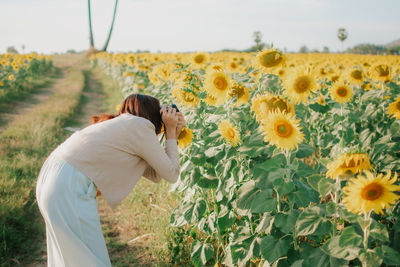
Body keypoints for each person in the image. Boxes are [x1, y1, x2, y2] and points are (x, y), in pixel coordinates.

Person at [35, 93, 185, 267]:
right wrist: (171, 133)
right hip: (68, 185)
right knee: (92, 260)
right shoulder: (139, 126)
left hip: (54, 178)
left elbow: (157, 174)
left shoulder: (126, 127)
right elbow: (172, 174)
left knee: (69, 259)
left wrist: (172, 133)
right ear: (151, 115)